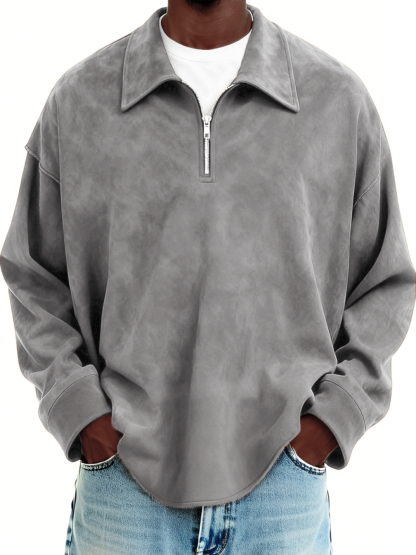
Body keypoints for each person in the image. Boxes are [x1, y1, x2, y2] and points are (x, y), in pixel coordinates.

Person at [1, 1, 414, 554]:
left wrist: (332, 423)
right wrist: (81, 416)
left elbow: (385, 284)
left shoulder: (336, 100)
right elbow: (33, 276)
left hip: (283, 493)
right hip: (124, 495)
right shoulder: (80, 100)